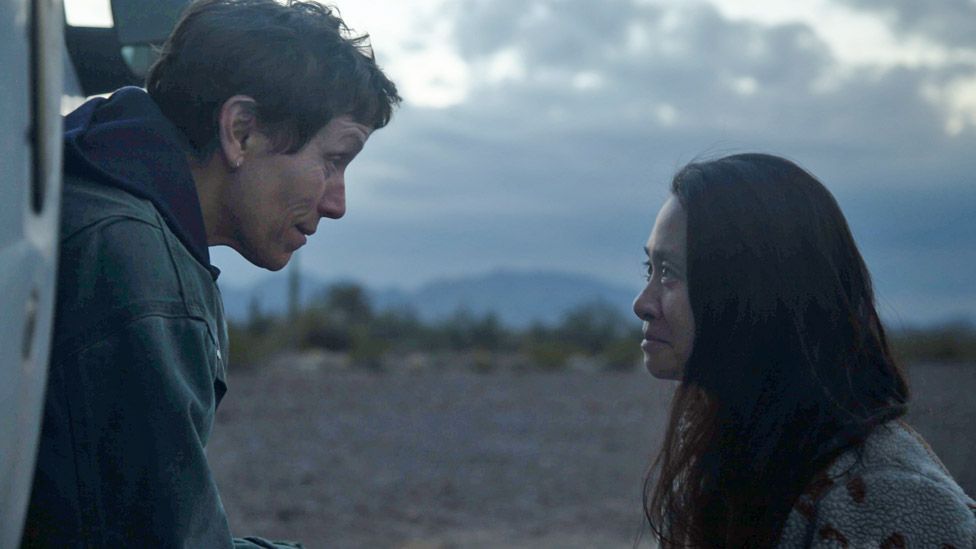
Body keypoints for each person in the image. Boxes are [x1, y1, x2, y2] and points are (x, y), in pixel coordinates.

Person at [22, 0, 400, 546]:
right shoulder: (137, 270)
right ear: (242, 131)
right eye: (335, 159)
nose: (337, 202)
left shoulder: (81, 192)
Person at [633, 153, 976, 547]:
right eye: (650, 270)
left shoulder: (888, 496)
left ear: (754, 293)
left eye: (670, 272)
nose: (642, 302)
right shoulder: (728, 450)